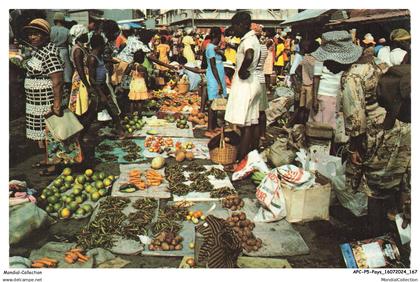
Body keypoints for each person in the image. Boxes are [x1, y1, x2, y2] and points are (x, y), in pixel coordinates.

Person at [316, 30, 410, 237]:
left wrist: (356, 149)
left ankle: (376, 236)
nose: (326, 65)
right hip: (401, 125)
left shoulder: (352, 76)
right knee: (398, 184)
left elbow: (356, 119)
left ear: (338, 58)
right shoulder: (375, 62)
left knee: (375, 189)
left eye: (328, 60)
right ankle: (397, 230)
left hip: (381, 132)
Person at [23, 19, 82, 175]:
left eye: (36, 34)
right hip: (36, 101)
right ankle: (47, 159)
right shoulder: (39, 50)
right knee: (43, 134)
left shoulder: (49, 52)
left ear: (45, 35)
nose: (32, 37)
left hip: (47, 100)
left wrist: (56, 105)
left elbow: (57, 81)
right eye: (30, 34)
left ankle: (55, 165)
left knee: (52, 134)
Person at [225, 12, 261, 163]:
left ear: (243, 25)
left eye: (235, 27)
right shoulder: (253, 39)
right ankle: (251, 153)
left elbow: (249, 55)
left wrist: (241, 70)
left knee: (245, 125)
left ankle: (241, 158)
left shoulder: (248, 41)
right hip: (253, 82)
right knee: (251, 123)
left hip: (246, 84)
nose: (234, 31)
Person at [87, 34, 125, 138]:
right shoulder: (92, 58)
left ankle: (120, 130)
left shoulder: (99, 57)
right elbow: (92, 79)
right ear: (99, 45)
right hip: (98, 89)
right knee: (91, 115)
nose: (104, 47)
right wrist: (100, 93)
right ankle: (81, 136)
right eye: (103, 45)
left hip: (103, 87)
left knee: (112, 110)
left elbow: (106, 60)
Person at [309, 33, 346, 130]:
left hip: (337, 95)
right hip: (324, 95)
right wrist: (314, 99)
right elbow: (316, 78)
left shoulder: (343, 58)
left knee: (335, 126)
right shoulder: (321, 57)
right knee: (322, 127)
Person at [68, 24, 93, 139]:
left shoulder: (81, 47)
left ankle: (81, 134)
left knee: (84, 105)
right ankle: (80, 135)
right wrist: (87, 85)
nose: (87, 36)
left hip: (83, 79)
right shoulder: (78, 50)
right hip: (81, 80)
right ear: (80, 36)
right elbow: (80, 68)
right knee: (81, 107)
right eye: (85, 34)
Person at [204, 27, 227, 138]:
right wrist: (218, 82)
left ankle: (214, 126)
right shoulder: (210, 48)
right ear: (217, 36)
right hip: (214, 77)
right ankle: (209, 128)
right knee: (212, 103)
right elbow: (213, 66)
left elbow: (224, 59)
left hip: (220, 76)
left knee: (217, 102)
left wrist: (221, 52)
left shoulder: (216, 48)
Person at [50, 12, 73, 101]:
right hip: (63, 52)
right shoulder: (67, 31)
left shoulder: (50, 30)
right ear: (63, 21)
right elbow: (70, 42)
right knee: (66, 73)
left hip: (52, 51)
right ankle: (65, 96)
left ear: (55, 20)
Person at [253, 24, 269, 141]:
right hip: (261, 79)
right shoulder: (264, 48)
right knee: (261, 110)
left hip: (252, 79)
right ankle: (262, 133)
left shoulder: (253, 47)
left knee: (252, 109)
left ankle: (254, 133)